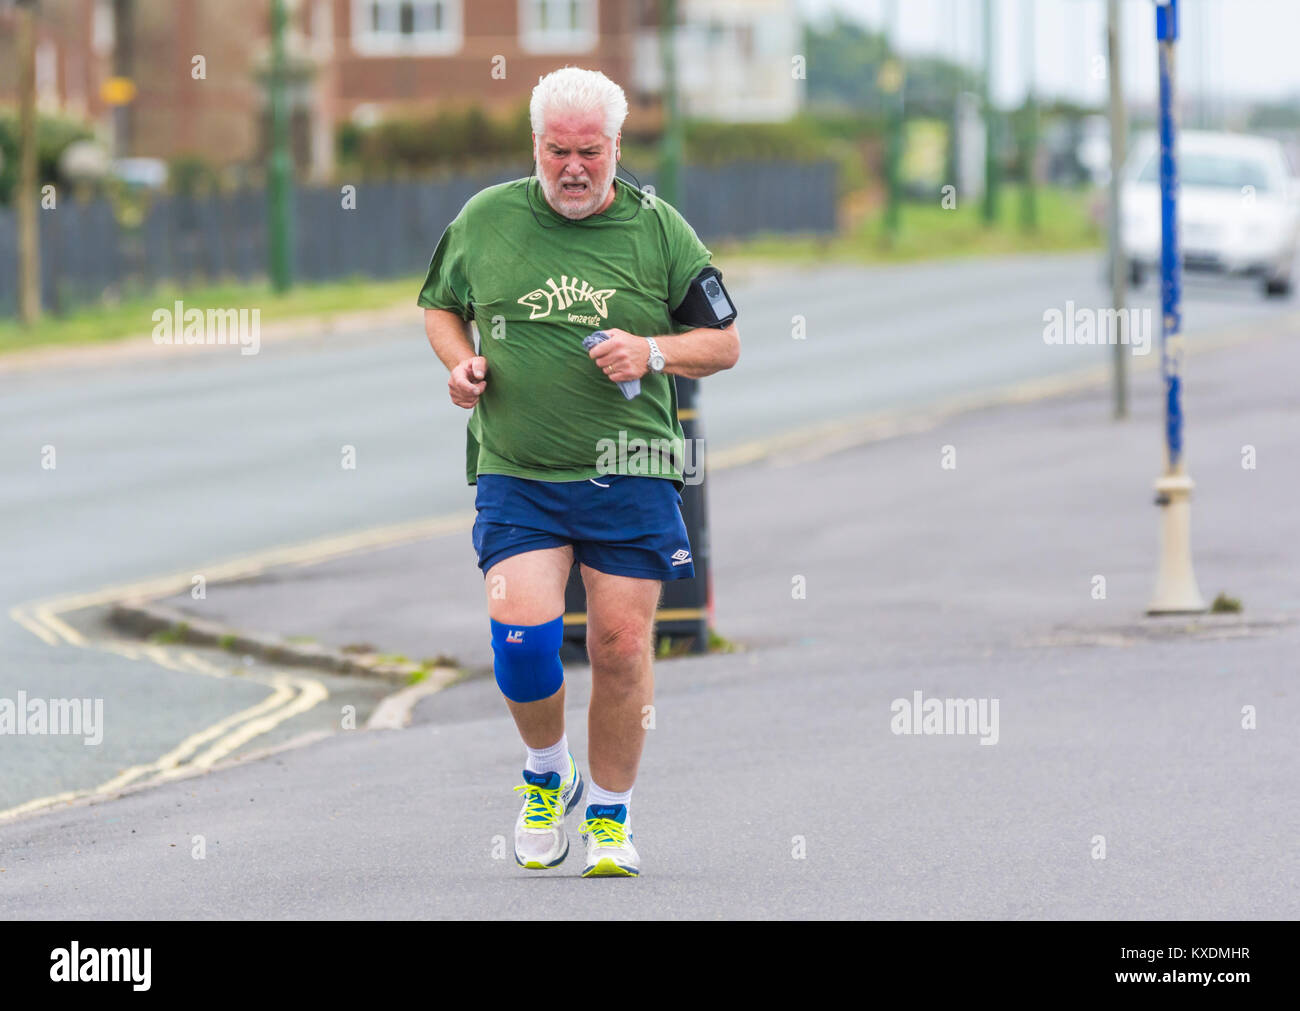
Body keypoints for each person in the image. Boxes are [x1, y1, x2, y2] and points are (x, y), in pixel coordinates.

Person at [418, 66, 740, 877]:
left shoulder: (659, 230)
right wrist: (461, 367)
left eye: (589, 152)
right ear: (535, 144)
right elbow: (439, 306)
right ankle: (546, 769)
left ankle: (609, 814)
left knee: (622, 647)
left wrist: (654, 348)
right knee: (523, 642)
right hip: (518, 470)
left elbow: (725, 343)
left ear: (615, 147)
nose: (571, 167)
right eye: (556, 150)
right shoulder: (485, 219)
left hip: (630, 467)